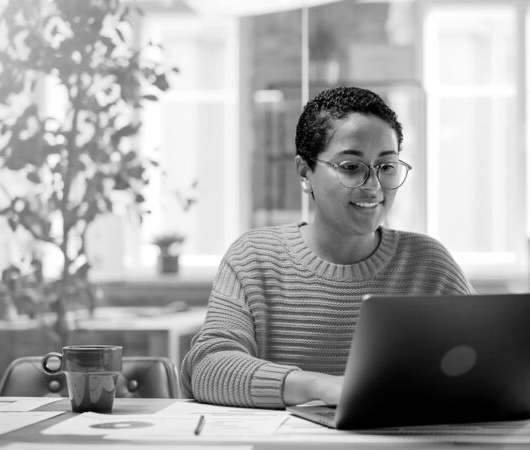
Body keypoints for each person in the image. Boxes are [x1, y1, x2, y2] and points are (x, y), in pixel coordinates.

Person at [180, 86, 474, 408]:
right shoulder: (254, 259)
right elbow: (208, 367)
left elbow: (488, 364)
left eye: (387, 167)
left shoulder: (428, 264)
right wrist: (320, 386)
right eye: (351, 167)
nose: (373, 186)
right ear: (305, 171)